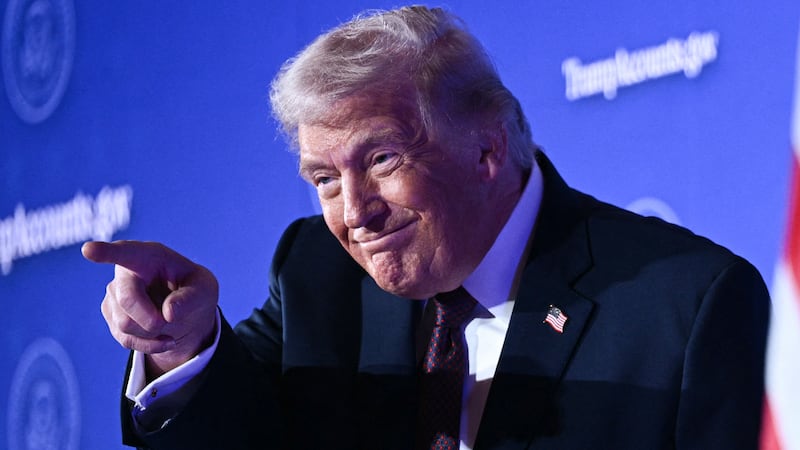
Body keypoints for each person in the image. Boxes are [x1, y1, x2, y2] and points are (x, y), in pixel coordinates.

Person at [83, 5, 770, 450]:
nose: (353, 212)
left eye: (381, 159)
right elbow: (239, 434)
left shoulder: (688, 307)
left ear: (486, 148)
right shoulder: (316, 275)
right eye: (324, 179)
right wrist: (182, 345)